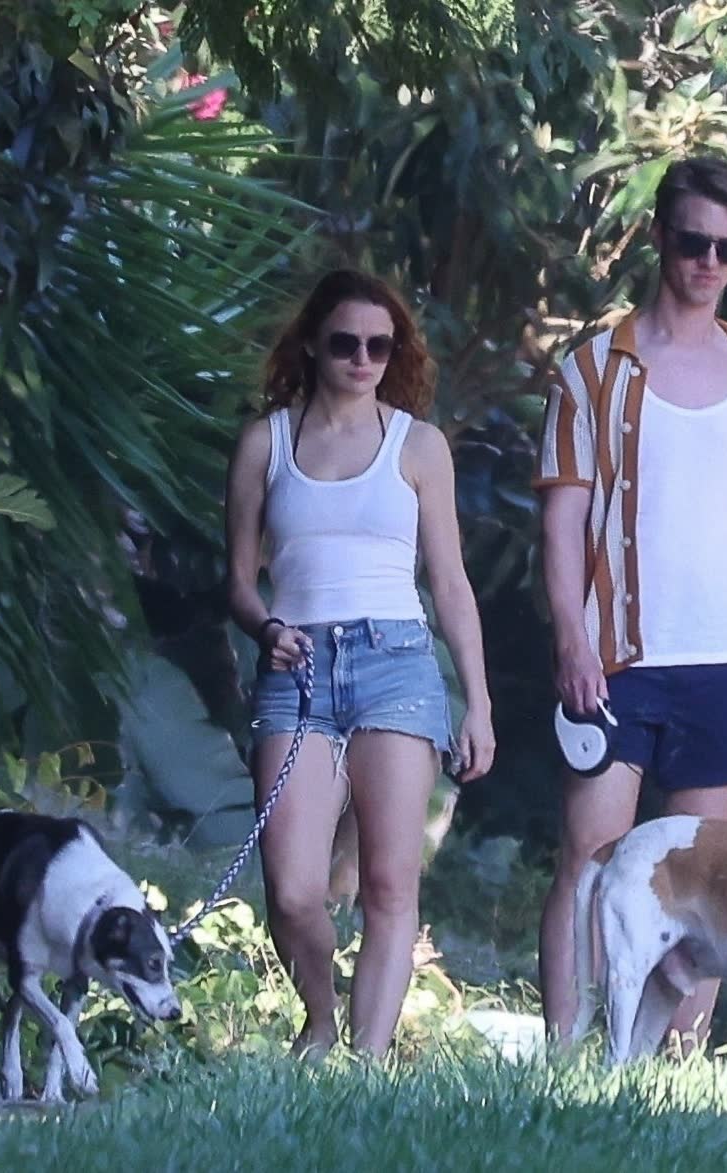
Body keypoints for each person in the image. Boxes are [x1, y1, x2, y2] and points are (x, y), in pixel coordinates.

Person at [534, 155, 727, 1052]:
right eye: (692, 242)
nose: (708, 262)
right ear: (659, 238)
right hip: (618, 655)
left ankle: (674, 1067)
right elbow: (562, 519)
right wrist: (571, 636)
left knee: (705, 875)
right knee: (591, 856)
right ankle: (565, 1051)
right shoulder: (593, 370)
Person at [224, 268, 496, 1059]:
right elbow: (237, 580)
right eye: (346, 343)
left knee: (389, 883)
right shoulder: (266, 442)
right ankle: (319, 1019)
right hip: (297, 665)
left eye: (381, 346)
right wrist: (266, 626)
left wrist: (478, 701)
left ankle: (366, 1062)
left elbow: (450, 581)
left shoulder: (419, 445)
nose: (363, 359)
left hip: (397, 660)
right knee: (293, 888)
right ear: (312, 344)